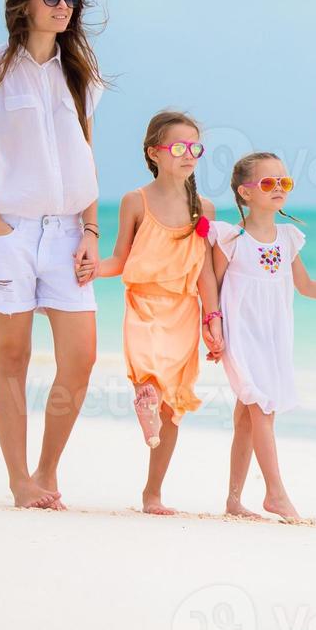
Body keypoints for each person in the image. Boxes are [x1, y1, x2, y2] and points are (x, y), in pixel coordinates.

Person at [0, 0, 106, 510]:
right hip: (10, 233)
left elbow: (86, 157)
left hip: (69, 233)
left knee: (81, 357)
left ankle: (47, 470)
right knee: (12, 355)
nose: (64, 6)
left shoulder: (80, 76)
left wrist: (92, 230)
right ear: (24, 2)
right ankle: (20, 480)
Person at [209, 152, 316, 524]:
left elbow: (304, 286)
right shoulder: (231, 237)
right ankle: (276, 494)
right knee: (261, 405)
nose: (278, 188)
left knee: (248, 413)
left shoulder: (288, 237)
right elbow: (210, 285)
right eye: (267, 183)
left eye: (284, 182)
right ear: (245, 193)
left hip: (274, 334)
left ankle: (233, 499)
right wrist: (211, 326)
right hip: (240, 333)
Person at [97, 110, 223, 515]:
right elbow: (120, 258)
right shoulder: (136, 200)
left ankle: (153, 494)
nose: (190, 155)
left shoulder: (203, 207)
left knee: (173, 406)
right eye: (180, 147)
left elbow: (204, 270)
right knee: (147, 373)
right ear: (155, 152)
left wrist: (212, 319)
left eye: (196, 148)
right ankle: (143, 396)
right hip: (144, 303)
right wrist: (87, 270)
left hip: (184, 310)